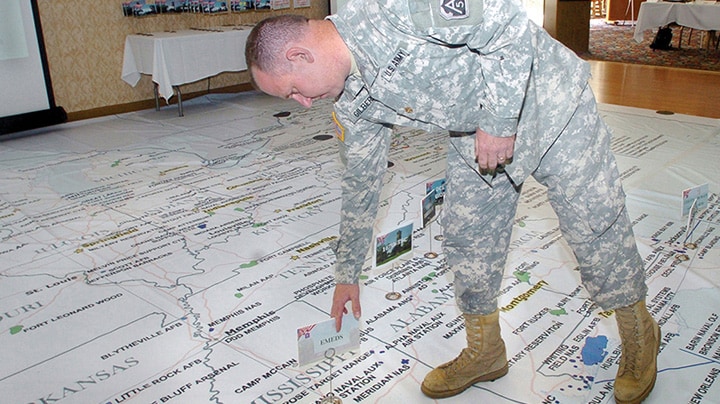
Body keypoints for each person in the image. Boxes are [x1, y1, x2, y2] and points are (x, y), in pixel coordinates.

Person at [244, 1, 660, 402]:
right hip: (476, 135)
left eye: (294, 91)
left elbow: (509, 25)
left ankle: (640, 334)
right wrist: (346, 272)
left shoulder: (398, 11)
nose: (302, 103)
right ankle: (486, 352)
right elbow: (360, 183)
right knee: (469, 240)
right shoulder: (351, 100)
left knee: (594, 224)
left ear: (299, 55)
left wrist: (498, 121)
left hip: (550, 104)